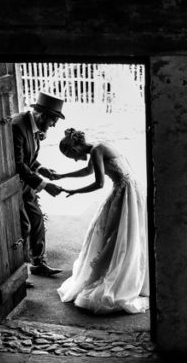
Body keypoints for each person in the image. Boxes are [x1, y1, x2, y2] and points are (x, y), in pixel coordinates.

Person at [47, 129, 149, 314]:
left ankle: (118, 276)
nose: (75, 159)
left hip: (124, 191)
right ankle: (120, 270)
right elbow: (88, 170)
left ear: (76, 146)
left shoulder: (96, 150)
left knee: (118, 234)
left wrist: (75, 191)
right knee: (120, 234)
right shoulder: (98, 147)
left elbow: (99, 183)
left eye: (72, 155)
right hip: (130, 189)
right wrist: (63, 176)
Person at [11, 92, 65, 277]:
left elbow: (29, 158)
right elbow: (17, 164)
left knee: (37, 219)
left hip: (26, 184)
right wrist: (44, 185)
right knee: (22, 227)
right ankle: (17, 273)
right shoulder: (17, 126)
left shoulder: (34, 126)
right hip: (13, 186)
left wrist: (42, 169)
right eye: (53, 119)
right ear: (42, 115)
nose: (54, 124)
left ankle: (38, 262)